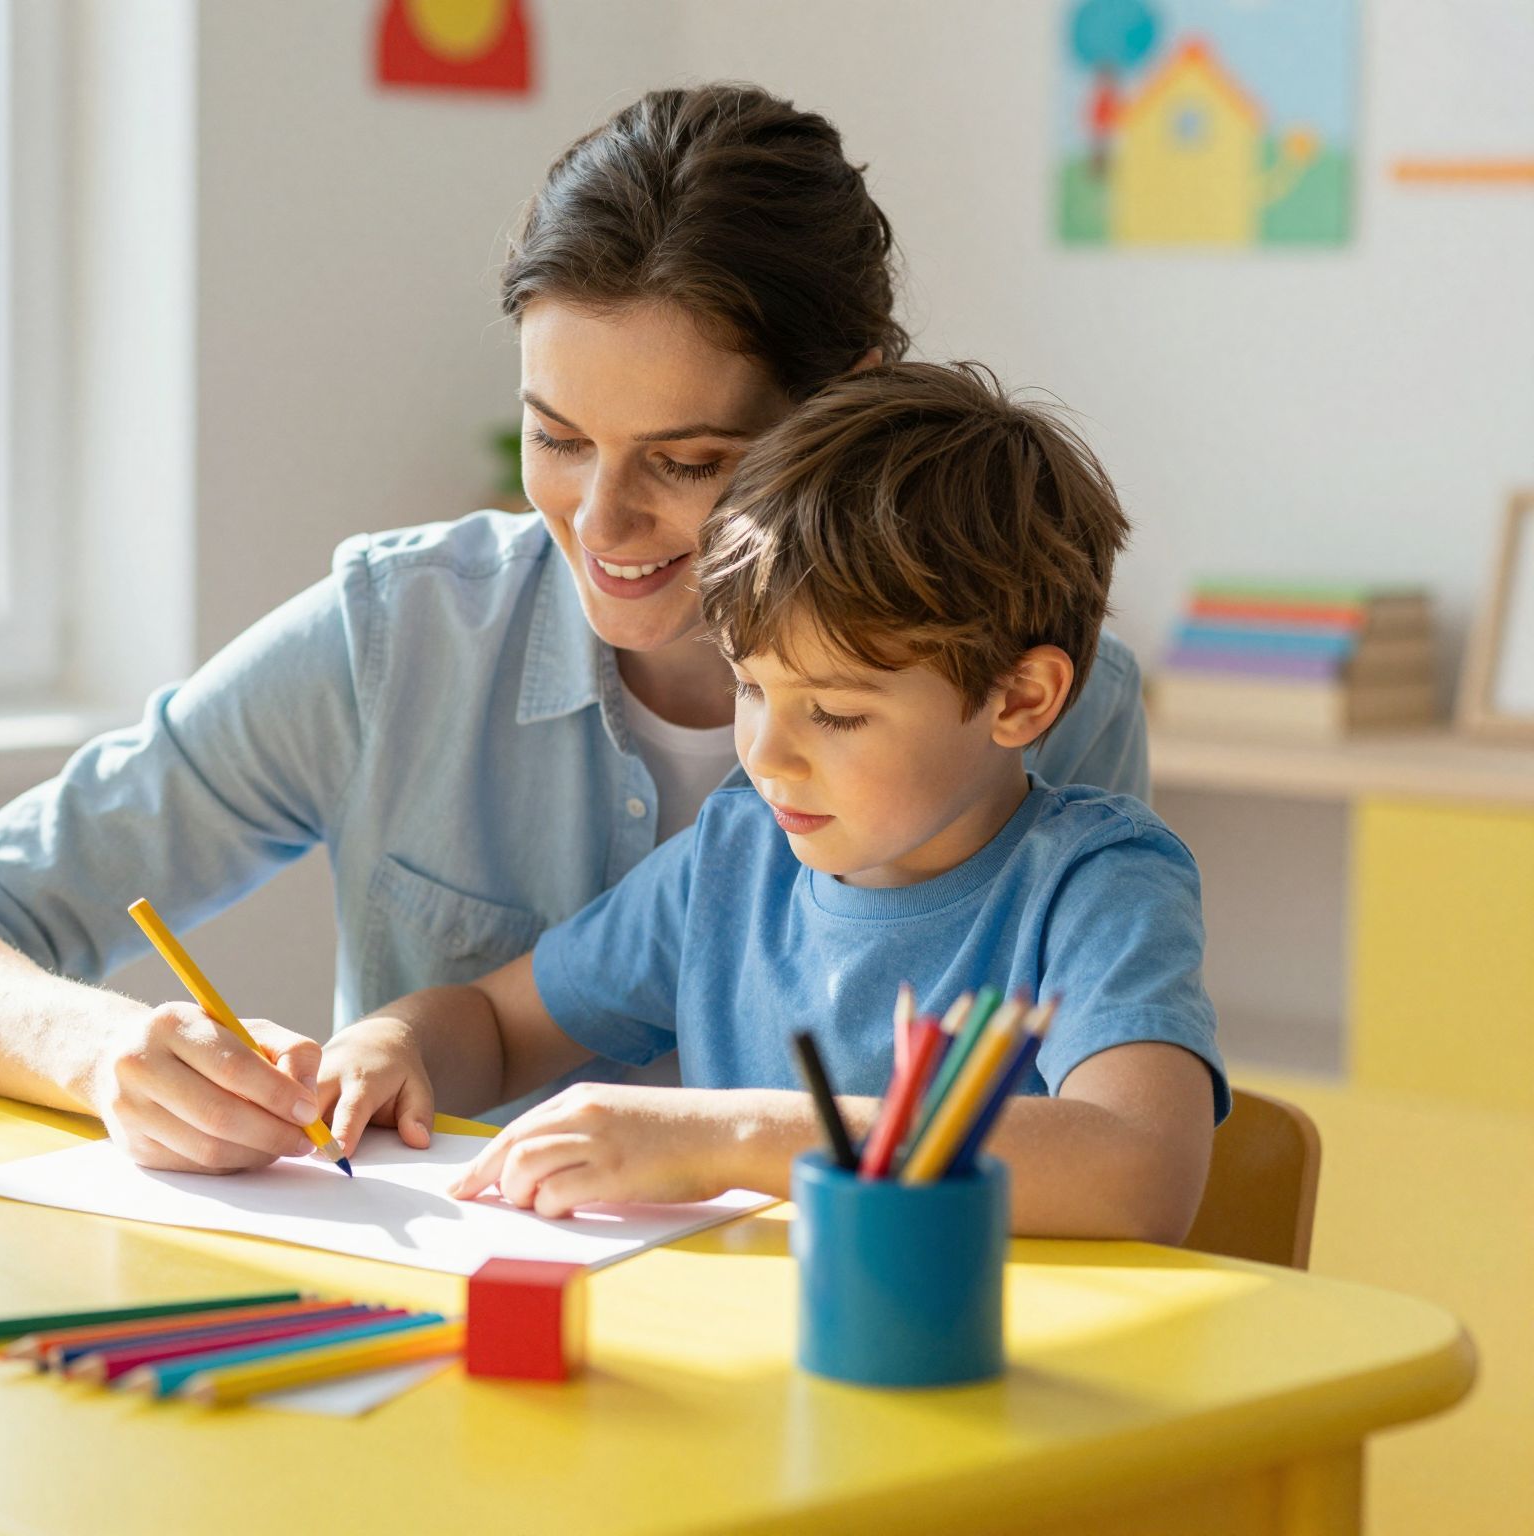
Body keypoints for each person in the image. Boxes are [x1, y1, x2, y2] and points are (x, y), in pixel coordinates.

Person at [0, 84, 1149, 1176]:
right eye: (557, 439)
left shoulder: (1033, 699)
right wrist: (101, 1054)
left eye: (687, 459)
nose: (604, 521)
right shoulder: (401, 638)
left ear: (847, 404)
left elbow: (1112, 1147)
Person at [318, 361, 1226, 1241]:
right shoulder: (736, 857)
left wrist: (727, 1138)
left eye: (834, 713)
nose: (765, 756)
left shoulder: (1097, 885)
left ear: (1019, 698)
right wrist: (392, 1047)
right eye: (749, 689)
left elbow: (1140, 1166)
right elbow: (498, 1026)